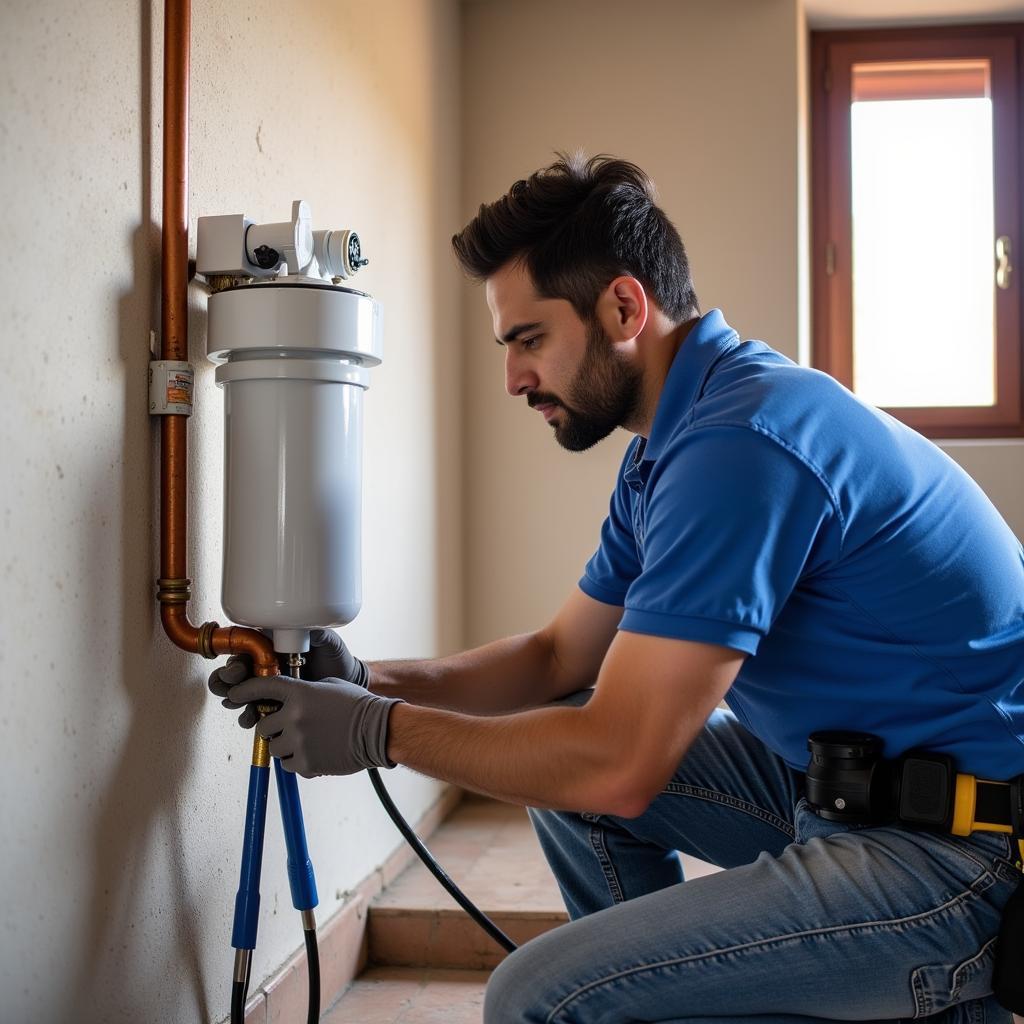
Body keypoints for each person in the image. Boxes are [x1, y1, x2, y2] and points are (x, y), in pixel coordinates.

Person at [210, 154, 1024, 1024]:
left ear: (624, 308)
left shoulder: (740, 446)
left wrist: (379, 732)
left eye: (529, 340)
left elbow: (622, 765)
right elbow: (557, 657)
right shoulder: (673, 445)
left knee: (540, 993)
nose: (515, 379)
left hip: (958, 857)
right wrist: (371, 679)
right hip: (845, 788)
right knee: (567, 770)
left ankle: (938, 997)